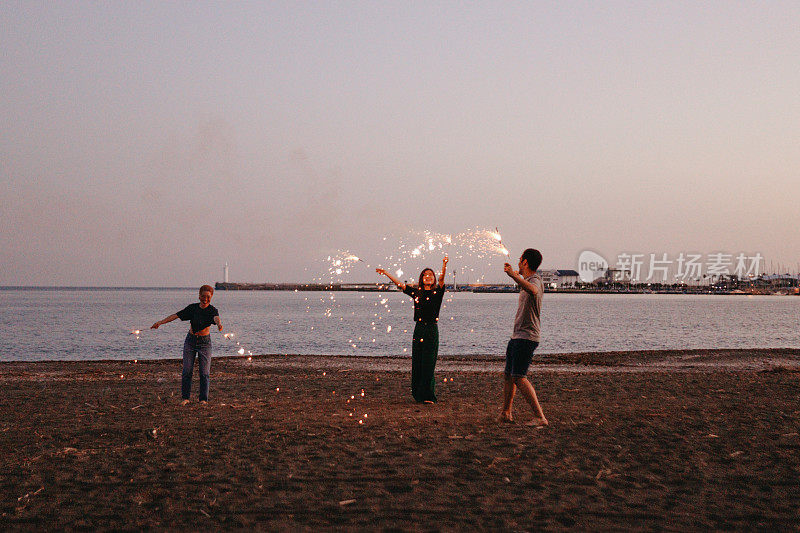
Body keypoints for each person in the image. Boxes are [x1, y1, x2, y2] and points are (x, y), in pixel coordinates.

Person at [377, 256, 448, 403]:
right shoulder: (417, 293)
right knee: (418, 362)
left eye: (431, 275)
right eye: (425, 275)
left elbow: (442, 280)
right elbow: (400, 285)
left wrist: (444, 264)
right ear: (421, 278)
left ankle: (429, 396)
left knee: (429, 362)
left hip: (431, 330)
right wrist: (385, 273)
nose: (428, 277)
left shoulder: (438, 292)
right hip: (419, 329)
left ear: (434, 279)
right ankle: (418, 394)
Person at [151, 285, 223, 405]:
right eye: (203, 296)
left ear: (211, 297)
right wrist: (160, 322)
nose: (205, 299)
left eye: (208, 297)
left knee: (204, 373)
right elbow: (176, 316)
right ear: (199, 296)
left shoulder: (212, 310)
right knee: (187, 371)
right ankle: (185, 398)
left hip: (205, 343)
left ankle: (203, 399)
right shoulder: (193, 308)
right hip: (190, 341)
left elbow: (216, 318)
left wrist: (219, 324)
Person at [501, 248, 548, 427]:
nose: (518, 262)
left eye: (520, 259)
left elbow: (533, 290)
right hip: (517, 336)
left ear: (526, 262)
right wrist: (516, 276)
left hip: (527, 337)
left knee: (519, 377)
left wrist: (513, 275)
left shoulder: (535, 280)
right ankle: (506, 413)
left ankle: (540, 417)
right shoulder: (526, 280)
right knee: (508, 375)